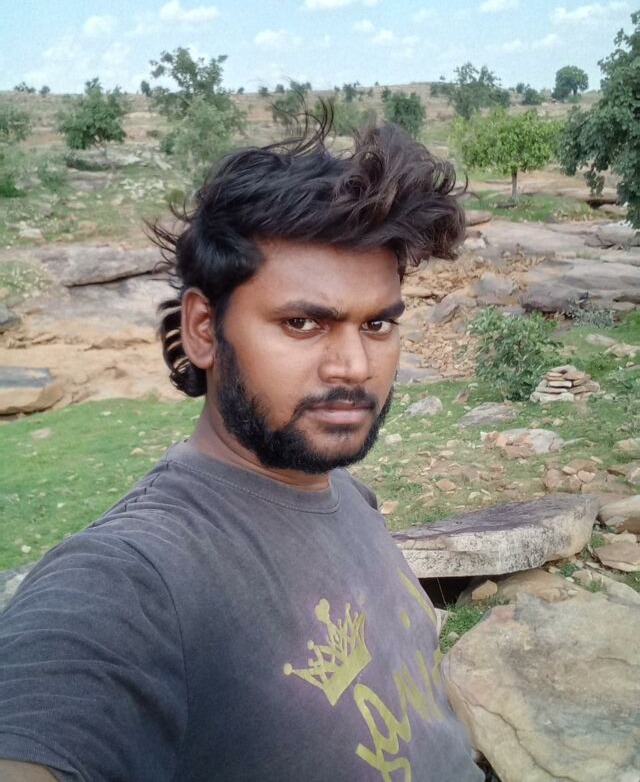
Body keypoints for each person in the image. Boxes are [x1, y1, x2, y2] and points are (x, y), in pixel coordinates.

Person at [0, 115, 482, 782]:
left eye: (377, 324)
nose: (353, 365)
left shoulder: (348, 496)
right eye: (303, 322)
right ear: (203, 329)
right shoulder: (136, 579)